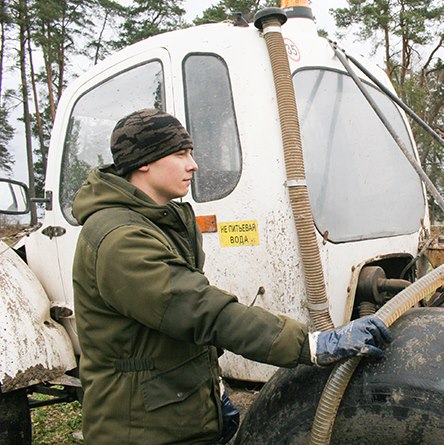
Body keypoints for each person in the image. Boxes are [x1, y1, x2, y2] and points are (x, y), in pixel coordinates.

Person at [72, 109, 392, 445]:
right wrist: (311, 345)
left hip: (170, 413)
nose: (192, 164)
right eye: (180, 154)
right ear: (144, 162)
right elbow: (200, 310)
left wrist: (213, 390)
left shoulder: (158, 221)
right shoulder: (120, 239)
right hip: (139, 430)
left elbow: (174, 332)